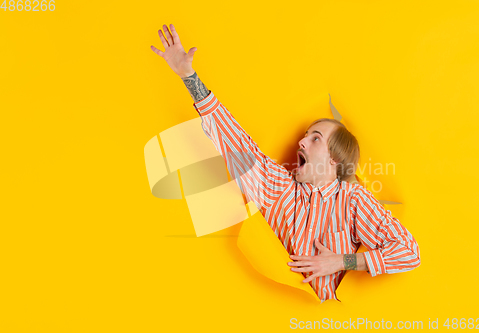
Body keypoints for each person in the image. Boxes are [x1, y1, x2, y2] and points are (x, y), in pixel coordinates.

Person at [151, 23, 421, 302]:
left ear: (335, 158)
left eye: (315, 138)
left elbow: (408, 252)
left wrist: (343, 261)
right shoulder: (278, 186)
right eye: (305, 137)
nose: (301, 143)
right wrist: (188, 76)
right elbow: (234, 139)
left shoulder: (353, 200)